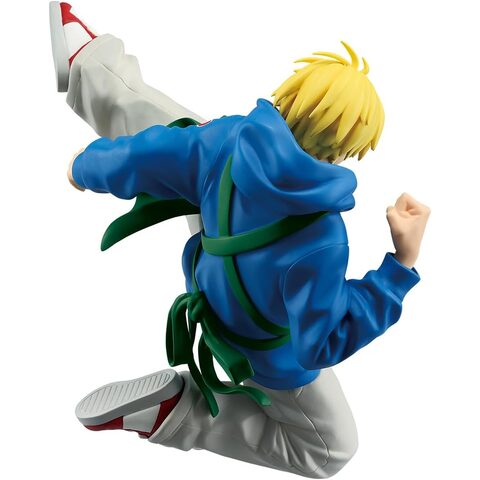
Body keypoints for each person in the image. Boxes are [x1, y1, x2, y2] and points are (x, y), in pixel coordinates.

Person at [49, 2, 430, 478]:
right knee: (330, 449)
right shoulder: (322, 238)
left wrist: (86, 167)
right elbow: (322, 341)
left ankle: (89, 66)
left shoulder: (228, 139)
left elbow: (150, 155)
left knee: (184, 137)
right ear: (344, 148)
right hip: (254, 347)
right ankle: (175, 413)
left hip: (213, 267)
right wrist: (400, 265)